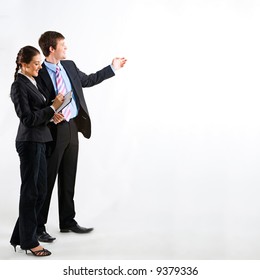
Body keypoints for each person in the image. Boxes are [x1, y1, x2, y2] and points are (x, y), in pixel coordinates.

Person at [35, 31, 127, 242]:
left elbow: (89, 80)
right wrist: (50, 115)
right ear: (52, 49)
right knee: (47, 180)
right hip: (52, 130)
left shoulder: (69, 66)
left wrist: (112, 67)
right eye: (63, 45)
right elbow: (35, 103)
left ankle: (67, 220)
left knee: (69, 176)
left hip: (72, 127)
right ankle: (38, 226)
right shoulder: (38, 72)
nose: (66, 48)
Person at [10, 46, 64, 256]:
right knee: (31, 192)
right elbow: (27, 118)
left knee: (39, 191)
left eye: (40, 63)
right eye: (36, 64)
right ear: (23, 64)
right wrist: (52, 108)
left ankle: (19, 236)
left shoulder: (32, 82)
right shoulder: (19, 85)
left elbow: (37, 113)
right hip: (29, 141)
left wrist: (51, 115)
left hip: (40, 140)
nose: (39, 67)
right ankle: (30, 242)